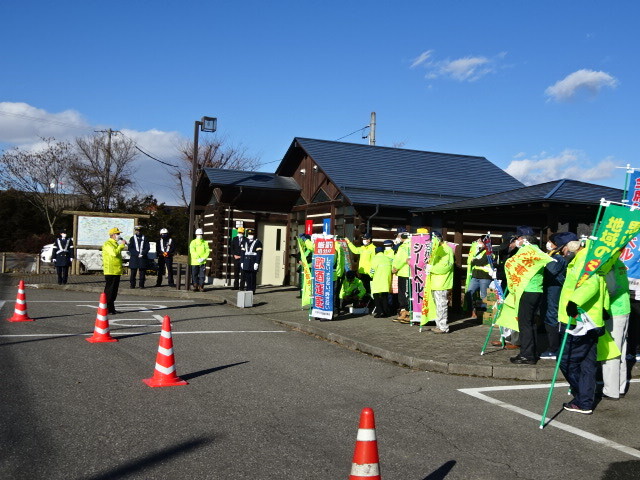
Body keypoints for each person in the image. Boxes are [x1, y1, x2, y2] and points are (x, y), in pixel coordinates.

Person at [558, 240, 607, 414]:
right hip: (593, 319)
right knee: (588, 363)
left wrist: (573, 302)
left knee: (566, 360)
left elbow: (591, 285)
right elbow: (602, 286)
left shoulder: (584, 260)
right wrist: (605, 307)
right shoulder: (594, 259)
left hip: (580, 321)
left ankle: (582, 396)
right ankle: (584, 401)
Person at [502, 226, 551, 365]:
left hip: (526, 290)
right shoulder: (537, 251)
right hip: (536, 290)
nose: (516, 240)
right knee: (530, 323)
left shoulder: (525, 252)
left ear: (523, 239)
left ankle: (527, 355)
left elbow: (510, 265)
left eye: (518, 238)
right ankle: (532, 351)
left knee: (524, 324)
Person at [539, 232, 578, 359]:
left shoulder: (558, 258)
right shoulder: (555, 256)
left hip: (554, 291)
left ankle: (553, 348)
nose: (549, 244)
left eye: (552, 243)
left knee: (552, 316)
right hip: (551, 290)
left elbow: (549, 272)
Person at [602, 257, 631, 400]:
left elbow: (611, 288)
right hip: (624, 308)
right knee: (621, 351)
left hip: (613, 310)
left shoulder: (609, 263)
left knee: (611, 352)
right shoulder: (618, 261)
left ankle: (611, 390)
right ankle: (620, 386)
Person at [427, 231, 455, 333]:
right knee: (437, 306)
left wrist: (431, 268)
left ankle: (443, 327)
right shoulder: (437, 249)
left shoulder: (446, 250)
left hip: (442, 282)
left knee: (441, 305)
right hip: (435, 282)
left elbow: (445, 267)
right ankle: (438, 325)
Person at [464, 238, 493, 318]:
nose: (478, 243)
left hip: (484, 277)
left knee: (484, 295)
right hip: (475, 276)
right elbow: (470, 260)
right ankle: (472, 311)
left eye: (480, 241)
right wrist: (474, 260)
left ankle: (484, 314)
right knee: (469, 293)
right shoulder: (478, 251)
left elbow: (480, 262)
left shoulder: (489, 252)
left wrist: (474, 260)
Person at [102, 227, 127, 315]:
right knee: (109, 290)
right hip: (110, 270)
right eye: (117, 234)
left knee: (114, 291)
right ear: (112, 235)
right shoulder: (108, 243)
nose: (119, 235)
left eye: (119, 234)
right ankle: (107, 308)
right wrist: (122, 245)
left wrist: (121, 245)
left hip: (116, 270)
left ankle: (112, 309)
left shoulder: (115, 244)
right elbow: (114, 253)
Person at [392, 231, 411, 323]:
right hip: (402, 272)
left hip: (405, 272)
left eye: (400, 236)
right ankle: (403, 312)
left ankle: (407, 313)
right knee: (402, 294)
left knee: (405, 294)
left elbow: (403, 259)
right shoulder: (403, 245)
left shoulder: (406, 246)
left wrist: (395, 267)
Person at [369, 246, 392, 317]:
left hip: (377, 279)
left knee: (376, 296)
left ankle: (380, 312)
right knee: (385, 296)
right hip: (386, 280)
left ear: (376, 252)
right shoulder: (388, 259)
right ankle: (386, 312)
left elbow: (372, 270)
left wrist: (371, 275)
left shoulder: (375, 258)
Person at [241, 228, 262, 294]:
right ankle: (248, 289)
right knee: (247, 276)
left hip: (253, 261)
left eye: (252, 234)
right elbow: (242, 252)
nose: (251, 235)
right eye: (249, 234)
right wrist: (242, 261)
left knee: (252, 276)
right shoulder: (245, 241)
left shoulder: (258, 242)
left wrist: (257, 263)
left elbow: (259, 254)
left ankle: (252, 290)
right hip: (246, 261)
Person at [189, 228, 210, 292]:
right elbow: (192, 251)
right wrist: (198, 258)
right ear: (196, 234)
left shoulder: (205, 242)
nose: (199, 235)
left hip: (202, 262)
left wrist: (203, 258)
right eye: (198, 234)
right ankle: (195, 286)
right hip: (195, 261)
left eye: (200, 234)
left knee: (202, 275)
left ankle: (201, 286)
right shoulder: (193, 242)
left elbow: (207, 251)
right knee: (194, 274)